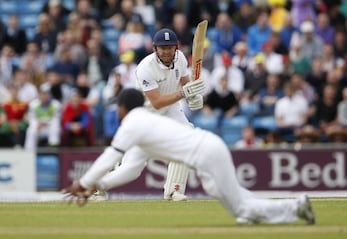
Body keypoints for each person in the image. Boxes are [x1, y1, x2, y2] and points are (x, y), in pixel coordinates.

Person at [62, 88, 315, 225]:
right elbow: (131, 169)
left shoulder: (134, 122)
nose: (117, 111)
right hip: (207, 153)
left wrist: (84, 184)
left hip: (208, 151)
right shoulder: (142, 126)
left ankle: (296, 207)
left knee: (240, 207)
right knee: (235, 202)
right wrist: (101, 184)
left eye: (118, 107)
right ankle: (286, 209)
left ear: (124, 107)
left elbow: (110, 155)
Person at [133, 28, 205, 201]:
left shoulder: (180, 58)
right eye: (162, 48)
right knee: (132, 162)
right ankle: (97, 187)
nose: (166, 51)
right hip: (147, 113)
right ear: (155, 49)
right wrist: (183, 94)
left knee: (187, 135)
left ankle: (174, 190)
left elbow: (185, 82)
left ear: (176, 47)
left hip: (171, 107)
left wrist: (193, 96)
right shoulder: (145, 68)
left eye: (170, 47)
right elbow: (157, 102)